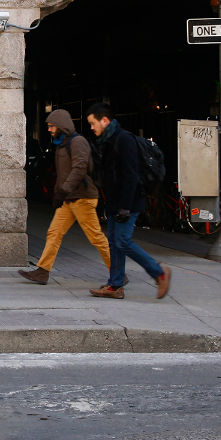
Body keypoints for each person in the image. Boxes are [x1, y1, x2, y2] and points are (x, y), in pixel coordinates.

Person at [86, 102, 172, 300]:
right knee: (115, 243)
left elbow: (131, 175)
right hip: (117, 202)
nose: (91, 127)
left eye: (93, 123)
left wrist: (124, 207)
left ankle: (159, 273)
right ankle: (115, 285)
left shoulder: (124, 140)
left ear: (104, 120)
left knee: (122, 241)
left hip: (129, 202)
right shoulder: (108, 140)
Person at [18, 109, 111, 285]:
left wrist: (62, 190)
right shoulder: (62, 144)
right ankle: (43, 271)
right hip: (70, 198)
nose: (49, 130)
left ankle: (117, 273)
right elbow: (65, 173)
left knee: (96, 238)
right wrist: (59, 192)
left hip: (82, 197)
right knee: (54, 232)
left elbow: (79, 168)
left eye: (51, 126)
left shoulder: (78, 142)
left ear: (61, 125)